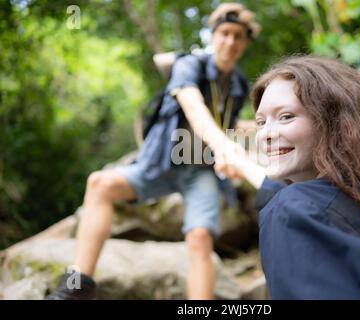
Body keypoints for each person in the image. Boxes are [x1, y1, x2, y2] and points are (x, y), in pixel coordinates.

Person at [46, 3, 260, 300]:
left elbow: (231, 121)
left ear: (245, 42)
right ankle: (76, 288)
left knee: (200, 236)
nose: (230, 42)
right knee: (100, 184)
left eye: (238, 36)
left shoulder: (237, 84)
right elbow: (193, 106)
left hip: (201, 169)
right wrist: (223, 147)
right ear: (212, 35)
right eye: (224, 33)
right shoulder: (189, 65)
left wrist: (266, 130)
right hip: (162, 161)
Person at [222, 55, 360, 299]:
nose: (265, 134)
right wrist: (238, 160)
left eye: (286, 116)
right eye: (260, 122)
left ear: (333, 122)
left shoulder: (294, 210)